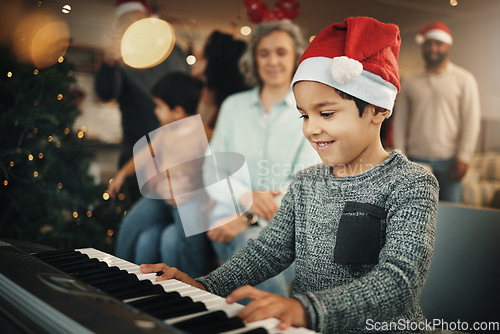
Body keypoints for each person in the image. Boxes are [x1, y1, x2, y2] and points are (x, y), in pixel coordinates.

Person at [141, 17, 439, 334]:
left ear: (378, 109)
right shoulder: (306, 182)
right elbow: (268, 251)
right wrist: (206, 285)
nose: (310, 129)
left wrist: (304, 309)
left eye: (326, 113)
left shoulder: (412, 183)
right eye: (304, 115)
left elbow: (399, 280)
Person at [192, 19, 320, 298]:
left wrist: (249, 217)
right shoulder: (233, 106)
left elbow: (306, 180)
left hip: (287, 228)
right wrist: (245, 196)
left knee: (253, 247)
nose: (272, 61)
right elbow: (211, 170)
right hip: (228, 222)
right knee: (248, 245)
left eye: (281, 52)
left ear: (296, 57)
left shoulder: (310, 113)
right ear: (254, 59)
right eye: (264, 53)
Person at [133, 31, 249, 278]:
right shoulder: (200, 98)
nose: (195, 57)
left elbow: (211, 160)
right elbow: (163, 148)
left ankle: (189, 294)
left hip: (203, 200)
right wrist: (158, 178)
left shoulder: (225, 107)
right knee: (146, 237)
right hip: (178, 193)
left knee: (167, 237)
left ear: (214, 62)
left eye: (202, 53)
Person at [108, 72, 208, 266]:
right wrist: (121, 175)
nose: (156, 111)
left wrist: (193, 188)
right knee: (130, 224)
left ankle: (197, 285)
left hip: (188, 199)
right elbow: (144, 155)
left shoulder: (204, 135)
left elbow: (211, 172)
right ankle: (118, 271)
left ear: (178, 112)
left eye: (159, 106)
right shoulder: (164, 132)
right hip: (162, 195)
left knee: (191, 243)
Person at [95, 0, 190, 169]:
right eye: (126, 23)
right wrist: (108, 65)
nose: (132, 27)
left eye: (137, 21)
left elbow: (188, 91)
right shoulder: (121, 59)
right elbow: (106, 93)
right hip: (137, 151)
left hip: (178, 150)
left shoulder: (173, 51)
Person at [393, 21, 481, 203]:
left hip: (451, 162)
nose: (433, 48)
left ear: (449, 46)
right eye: (429, 43)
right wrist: (400, 155)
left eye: (438, 43)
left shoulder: (464, 79)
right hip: (416, 160)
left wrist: (464, 157)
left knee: (450, 217)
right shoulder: (410, 81)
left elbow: (471, 121)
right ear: (423, 46)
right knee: (417, 213)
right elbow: (400, 121)